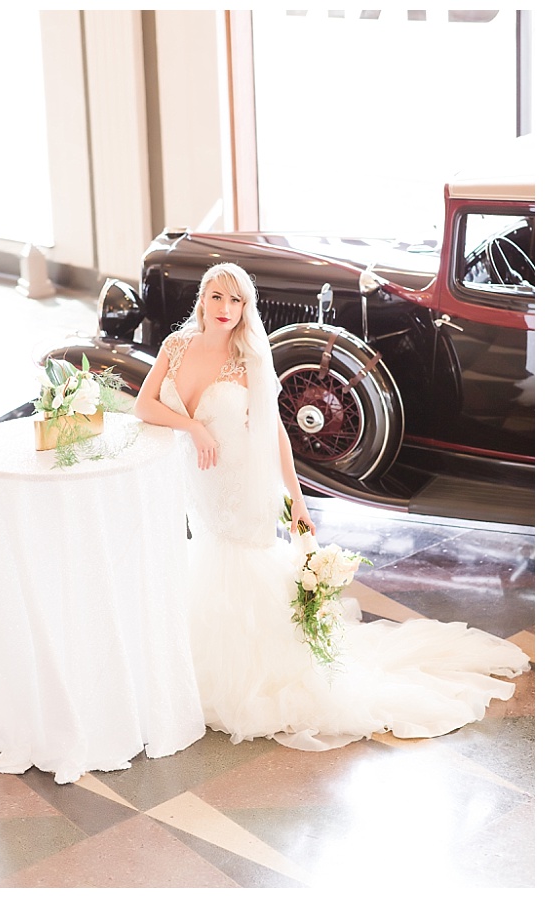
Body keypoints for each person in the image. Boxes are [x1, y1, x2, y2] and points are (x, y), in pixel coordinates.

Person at [133, 261, 530, 751]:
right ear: (202, 298)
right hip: (201, 485)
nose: (226, 309)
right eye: (217, 296)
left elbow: (275, 431)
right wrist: (192, 427)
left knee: (241, 563)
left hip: (243, 484)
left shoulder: (251, 359)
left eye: (236, 301)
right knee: (208, 556)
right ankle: (191, 664)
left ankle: (251, 675)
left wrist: (296, 499)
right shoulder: (175, 347)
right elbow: (144, 406)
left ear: (245, 309)